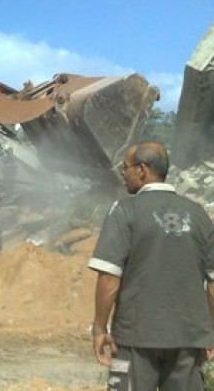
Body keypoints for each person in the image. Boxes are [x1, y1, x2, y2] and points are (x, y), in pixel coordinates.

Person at [88, 141, 214, 390]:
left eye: (125, 167)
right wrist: (209, 331)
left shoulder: (124, 211)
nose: (122, 173)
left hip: (135, 338)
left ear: (142, 170)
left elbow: (109, 278)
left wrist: (100, 328)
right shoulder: (198, 214)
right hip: (188, 339)